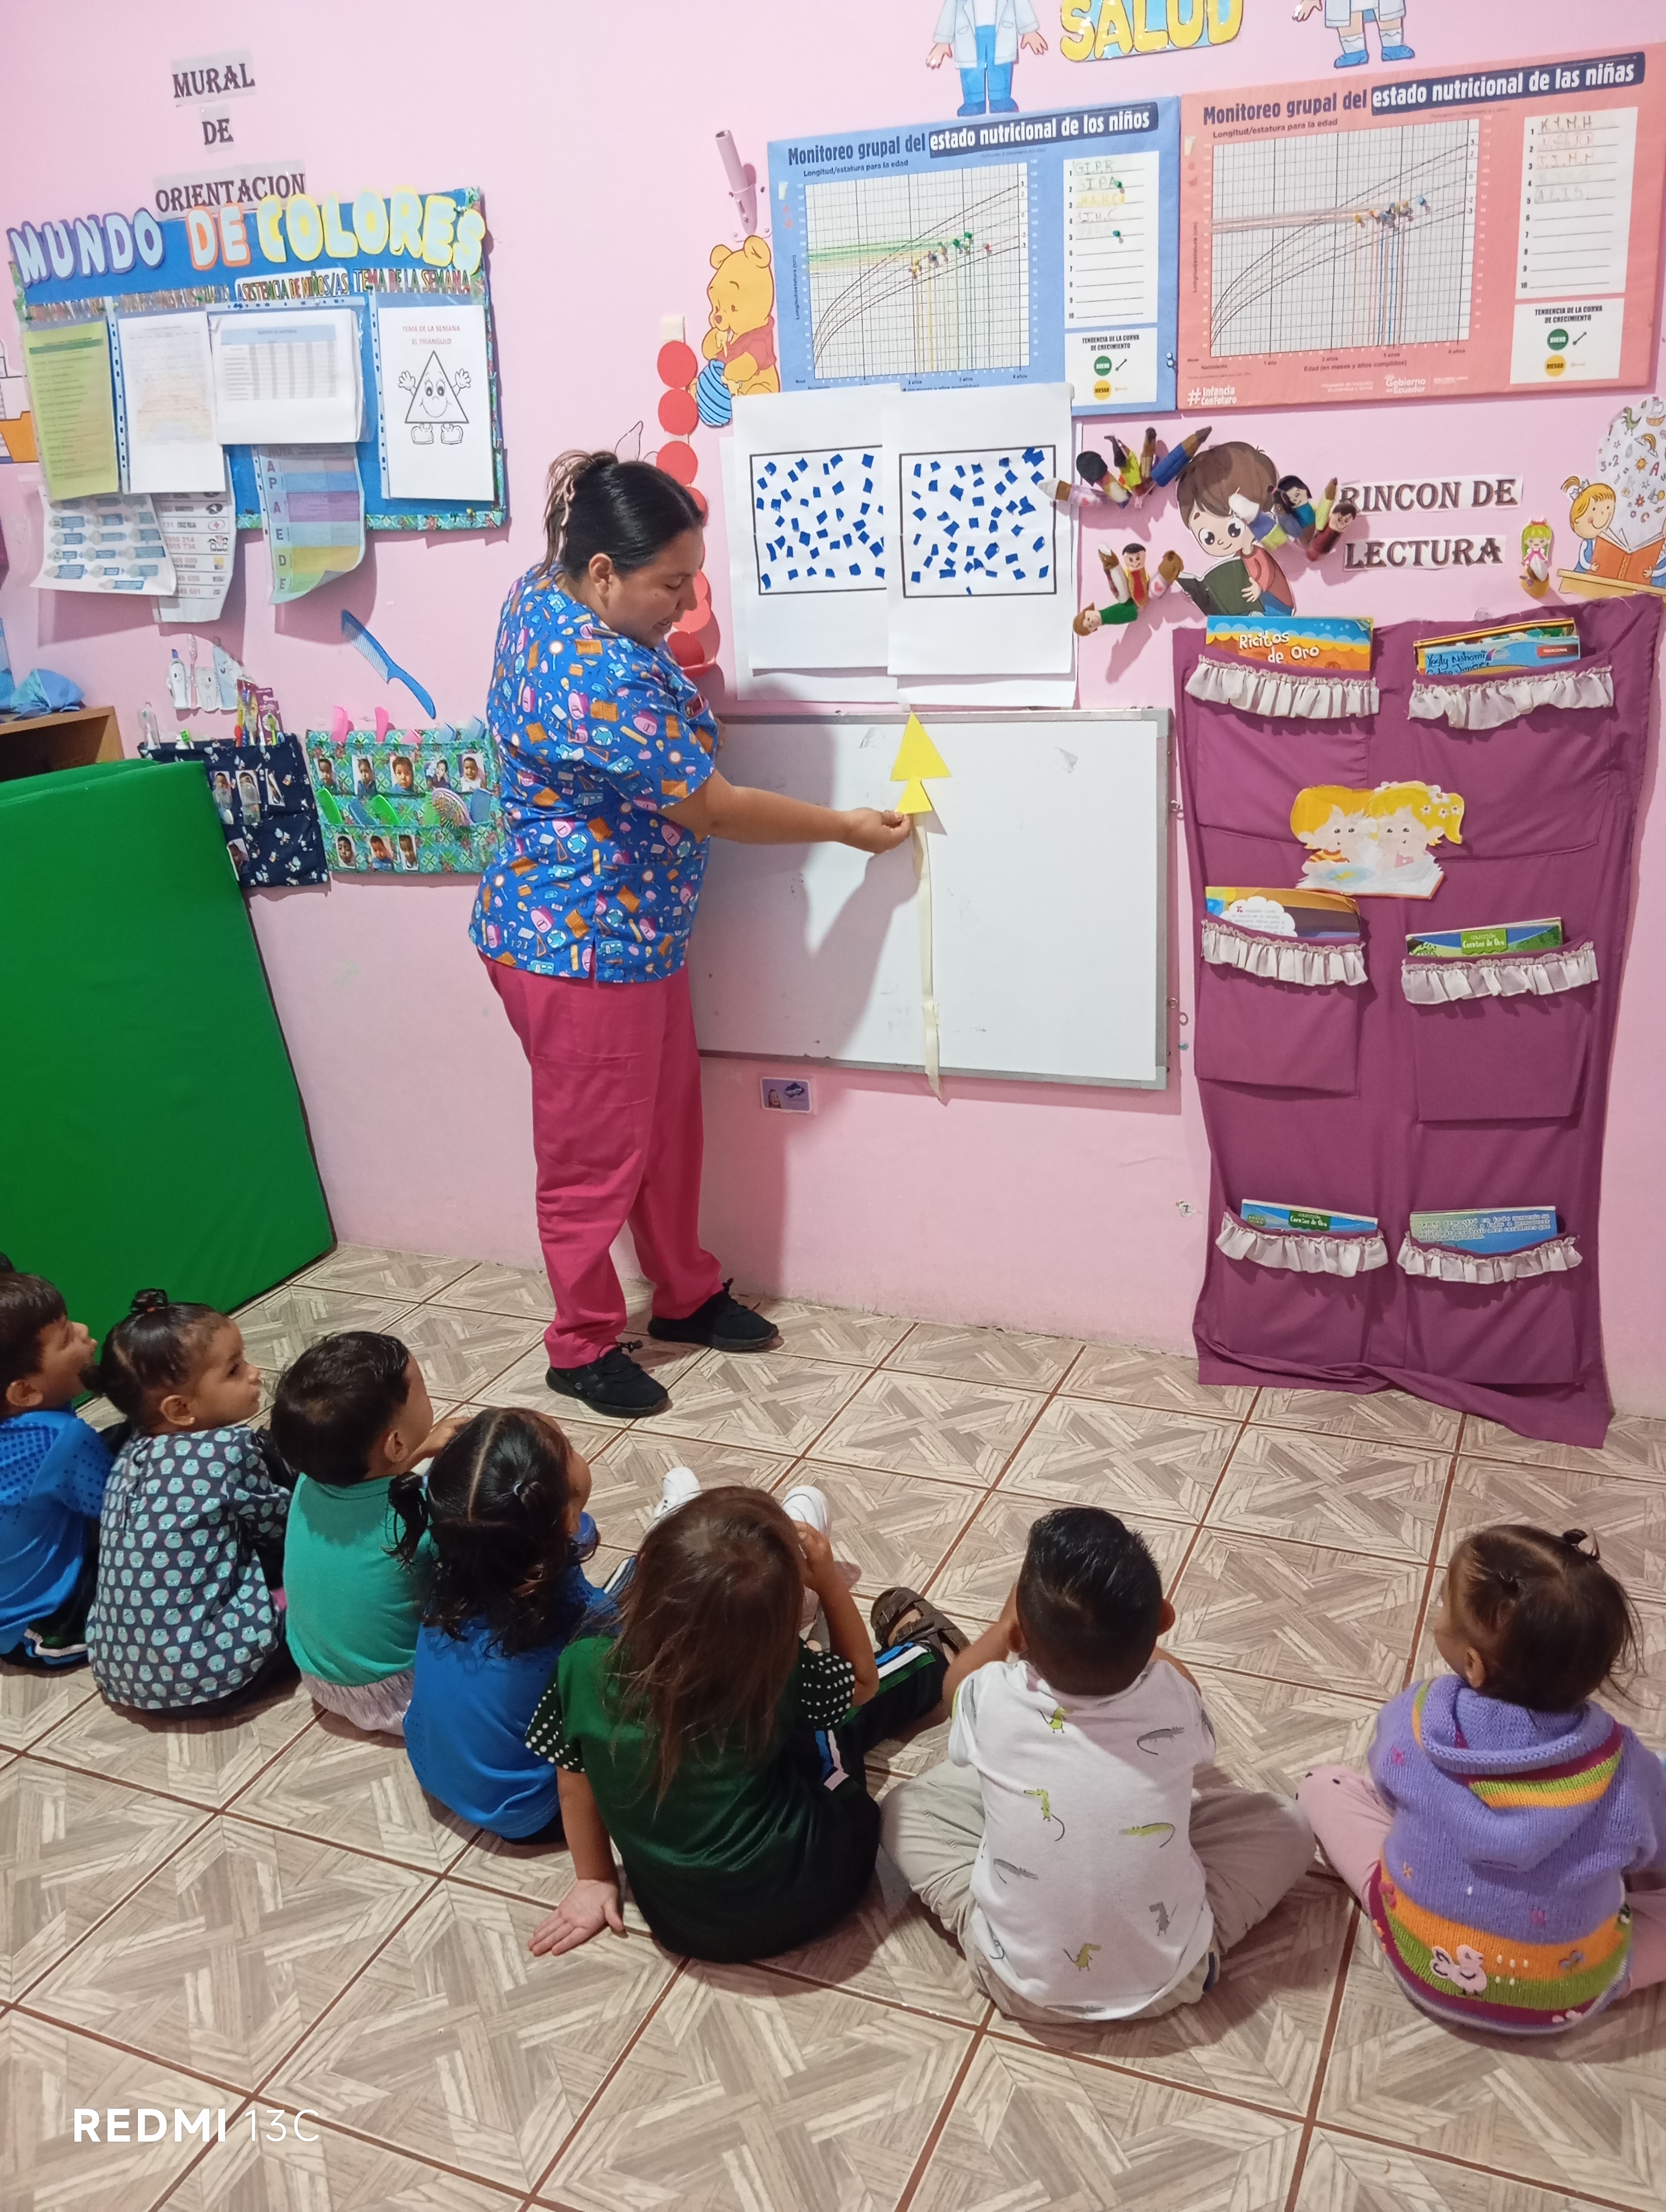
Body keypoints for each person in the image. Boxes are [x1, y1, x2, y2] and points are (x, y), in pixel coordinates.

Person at [471, 450, 911, 1418]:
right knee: (592, 1161)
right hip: (575, 948)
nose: (684, 605)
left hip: (635, 939)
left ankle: (685, 1292)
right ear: (602, 573)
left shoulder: (543, 589)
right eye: (670, 586)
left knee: (667, 1130)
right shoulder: (593, 674)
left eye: (692, 580)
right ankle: (580, 1344)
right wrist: (844, 828)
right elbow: (711, 808)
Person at [882, 1507, 1315, 2023]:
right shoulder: (1177, 1697)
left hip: (1016, 1985)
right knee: (1291, 1825)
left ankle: (985, 1922)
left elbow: (955, 1688)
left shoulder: (988, 1695)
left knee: (903, 1808)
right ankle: (1197, 1942)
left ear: (1020, 1638)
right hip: (1174, 1981)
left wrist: (1003, 1628)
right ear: (1164, 1621)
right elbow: (1190, 1708)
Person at [522, 1486, 963, 1962]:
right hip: (820, 1881)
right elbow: (861, 1682)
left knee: (799, 1719)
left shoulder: (582, 1664)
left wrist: (594, 1878)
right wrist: (831, 1585)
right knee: (836, 1724)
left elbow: (573, 1780)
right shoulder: (777, 1669)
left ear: (641, 1564)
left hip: (681, 1923)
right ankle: (930, 1656)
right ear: (784, 1625)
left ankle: (923, 1661)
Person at [1300, 1525, 1666, 2034]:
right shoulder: (1625, 1765)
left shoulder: (1412, 1719)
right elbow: (1654, 1851)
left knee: (1323, 1785)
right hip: (1564, 1994)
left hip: (1424, 1963)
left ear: (1472, 1664)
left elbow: (1386, 1790)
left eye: (1441, 1606)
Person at [399, 1408, 612, 1840]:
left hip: (431, 1768)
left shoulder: (447, 1565)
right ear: (566, 1518)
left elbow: (577, 1531)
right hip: (529, 1812)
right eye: (570, 1449)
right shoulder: (586, 1617)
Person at [86, 1292, 295, 1712]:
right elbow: (282, 1527)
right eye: (234, 1369)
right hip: (218, 1676)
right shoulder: (229, 1450)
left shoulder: (128, 1452)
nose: (255, 1373)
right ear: (180, 1409)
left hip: (119, 1675)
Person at [271, 1332, 465, 1734]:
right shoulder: (419, 1516)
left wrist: (417, 1452)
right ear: (395, 1444)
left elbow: (372, 1484)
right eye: (422, 1390)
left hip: (317, 1675)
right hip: (402, 1697)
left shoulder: (310, 1480)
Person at [0, 1261, 113, 1669]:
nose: (83, 1331)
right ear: (25, 1392)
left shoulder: (33, 1427)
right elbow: (121, 1511)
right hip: (42, 1620)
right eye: (66, 1338)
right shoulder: (61, 1439)